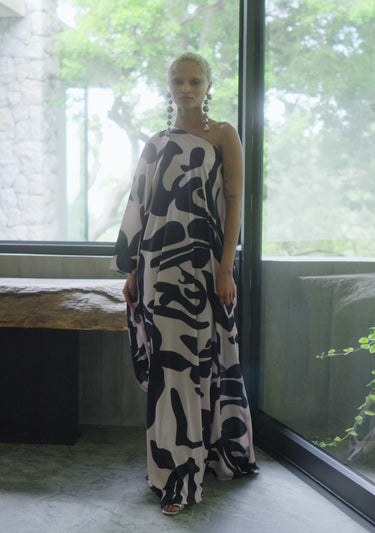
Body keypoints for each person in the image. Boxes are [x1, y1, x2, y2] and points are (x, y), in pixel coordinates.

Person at [110, 52, 257, 516]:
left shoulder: (223, 135)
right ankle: (175, 473)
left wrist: (225, 267)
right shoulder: (155, 142)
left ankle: (200, 462)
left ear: (208, 85)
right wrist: (133, 271)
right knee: (170, 371)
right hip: (157, 268)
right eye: (178, 81)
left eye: (195, 81)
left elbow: (234, 202)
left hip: (203, 266)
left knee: (201, 363)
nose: (186, 89)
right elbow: (140, 206)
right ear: (168, 86)